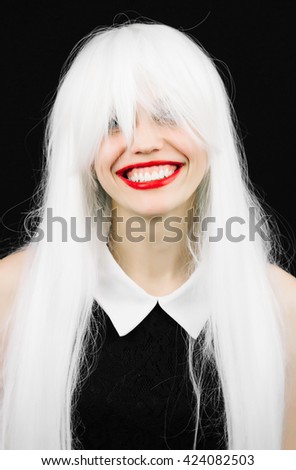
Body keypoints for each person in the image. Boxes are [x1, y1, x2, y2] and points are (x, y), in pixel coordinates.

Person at [0, 20, 295, 450]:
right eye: (112, 123)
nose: (143, 143)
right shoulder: (9, 295)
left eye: (169, 115)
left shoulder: (285, 309)